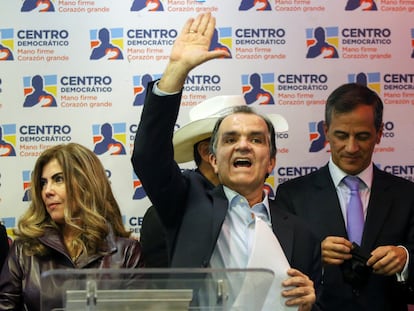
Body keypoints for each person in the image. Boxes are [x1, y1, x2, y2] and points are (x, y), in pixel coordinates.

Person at [132, 13, 321, 311]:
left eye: (256, 139)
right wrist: (176, 71)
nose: (243, 144)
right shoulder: (186, 203)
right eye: (231, 139)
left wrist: (311, 303)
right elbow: (148, 156)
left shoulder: (302, 233)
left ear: (271, 161)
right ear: (213, 159)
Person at [274, 83, 414, 311]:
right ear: (326, 131)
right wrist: (315, 255)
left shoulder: (407, 195)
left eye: (362, 136)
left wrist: (405, 259)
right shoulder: (292, 195)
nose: (351, 147)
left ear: (379, 134)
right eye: (341, 135)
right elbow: (278, 270)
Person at [0, 143, 143, 311]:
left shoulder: (127, 253)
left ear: (87, 184)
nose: (47, 190)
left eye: (58, 179)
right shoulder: (24, 250)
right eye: (43, 183)